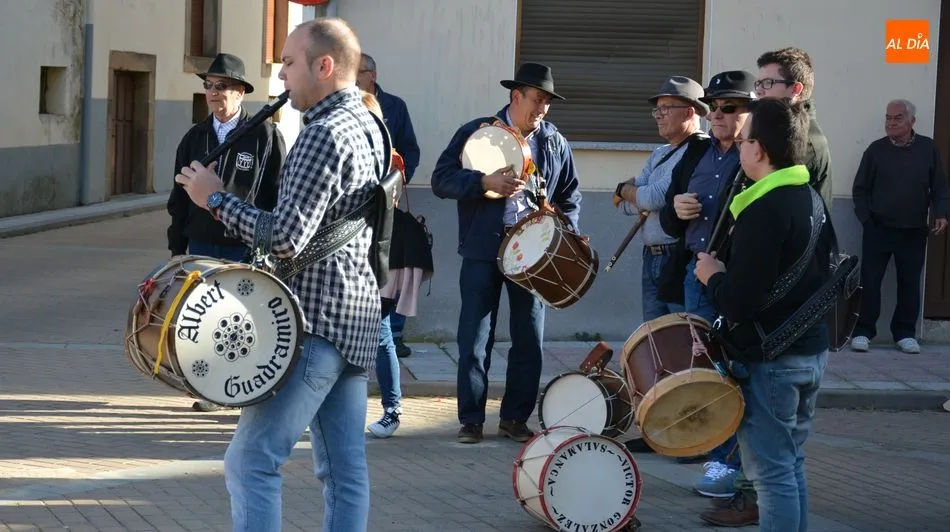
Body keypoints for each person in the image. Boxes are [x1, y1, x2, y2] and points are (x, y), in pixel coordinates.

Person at [173, 18, 381, 531]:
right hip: (355, 316)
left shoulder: (322, 134)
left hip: (314, 321)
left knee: (251, 461)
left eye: (288, 63)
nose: (281, 76)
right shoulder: (370, 123)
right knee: (344, 470)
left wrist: (214, 198)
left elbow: (287, 236)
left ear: (324, 66)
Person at [702, 46, 835, 527]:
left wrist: (713, 275)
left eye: (744, 141)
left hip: (773, 359)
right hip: (809, 350)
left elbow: (740, 300)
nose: (738, 147)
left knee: (771, 473)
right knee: (790, 465)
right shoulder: (808, 198)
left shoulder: (764, 210)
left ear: (759, 150)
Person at [431, 62, 582, 444]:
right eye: (537, 99)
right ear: (516, 96)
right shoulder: (478, 131)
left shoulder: (553, 141)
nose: (543, 108)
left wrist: (566, 233)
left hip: (534, 255)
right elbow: (441, 179)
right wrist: (483, 181)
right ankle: (471, 420)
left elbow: (570, 195)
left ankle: (515, 419)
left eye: (548, 102)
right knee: (474, 337)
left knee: (529, 339)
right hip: (483, 249)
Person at [165, 52, 286, 413]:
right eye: (209, 86)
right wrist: (177, 245)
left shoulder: (265, 136)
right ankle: (210, 389)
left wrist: (269, 244)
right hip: (201, 243)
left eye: (222, 86)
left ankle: (242, 388)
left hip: (243, 246)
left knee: (241, 320)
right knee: (201, 321)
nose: (214, 92)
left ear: (240, 92)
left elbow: (276, 194)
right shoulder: (194, 138)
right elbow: (178, 198)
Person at [658, 70, 756, 497]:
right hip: (694, 277)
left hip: (732, 279)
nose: (717, 114)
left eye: (729, 107)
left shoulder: (755, 156)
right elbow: (668, 216)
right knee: (704, 372)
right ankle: (716, 456)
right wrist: (676, 209)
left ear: (749, 113)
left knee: (731, 373)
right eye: (713, 107)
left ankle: (729, 466)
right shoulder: (697, 152)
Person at [360, 91, 433, 439]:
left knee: (380, 332)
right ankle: (385, 409)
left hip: (380, 253)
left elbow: (379, 204)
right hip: (362, 253)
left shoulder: (389, 158)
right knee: (374, 334)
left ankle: (392, 409)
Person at [851, 99, 950, 354]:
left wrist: (941, 213)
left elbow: (939, 186)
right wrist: (867, 220)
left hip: (914, 229)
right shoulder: (876, 150)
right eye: (888, 118)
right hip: (878, 229)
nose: (891, 123)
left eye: (897, 118)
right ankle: (863, 331)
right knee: (870, 281)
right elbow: (860, 189)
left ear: (912, 121)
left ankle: (905, 334)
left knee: (909, 283)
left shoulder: (927, 148)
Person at [614, 76, 708, 322]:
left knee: (681, 333)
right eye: (657, 109)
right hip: (651, 256)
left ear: (689, 111)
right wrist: (634, 195)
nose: (658, 115)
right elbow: (623, 206)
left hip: (677, 257)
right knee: (654, 335)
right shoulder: (660, 154)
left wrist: (625, 189)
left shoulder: (701, 150)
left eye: (666, 108)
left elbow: (652, 198)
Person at [357, 52, 421, 358]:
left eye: (357, 72)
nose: (352, 78)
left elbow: (411, 150)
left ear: (372, 75)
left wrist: (397, 181)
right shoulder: (344, 106)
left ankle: (394, 333)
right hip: (356, 205)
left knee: (394, 265)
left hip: (388, 200)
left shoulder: (395, 106)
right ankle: (366, 329)